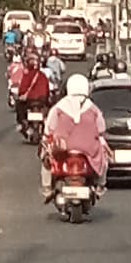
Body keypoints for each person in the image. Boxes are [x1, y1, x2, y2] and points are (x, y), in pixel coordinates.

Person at [43, 65, 108, 197]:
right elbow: (101, 128)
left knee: (46, 159)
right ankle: (100, 185)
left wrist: (46, 138)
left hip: (63, 148)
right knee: (104, 159)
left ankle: (47, 187)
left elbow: (49, 126)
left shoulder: (59, 107)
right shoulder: (92, 107)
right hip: (89, 149)